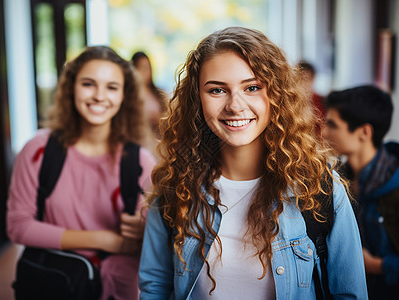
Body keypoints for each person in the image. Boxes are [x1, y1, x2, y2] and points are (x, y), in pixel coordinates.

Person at [138, 27, 367, 299]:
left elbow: (349, 294)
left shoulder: (320, 190)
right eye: (217, 90)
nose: (235, 105)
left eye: (252, 87)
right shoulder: (175, 189)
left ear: (276, 94)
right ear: (197, 100)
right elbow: (155, 289)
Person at [7, 46, 156, 300]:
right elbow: (18, 226)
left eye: (112, 87)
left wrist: (147, 229)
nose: (99, 96)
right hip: (55, 283)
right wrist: (104, 239)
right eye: (88, 84)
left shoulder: (141, 161)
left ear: (124, 96)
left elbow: (160, 236)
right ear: (71, 88)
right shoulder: (39, 150)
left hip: (121, 289)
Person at [322, 85, 399, 299]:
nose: (323, 132)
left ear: (364, 133)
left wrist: (377, 266)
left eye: (332, 125)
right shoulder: (334, 182)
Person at [131, 51, 168, 160]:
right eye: (141, 68)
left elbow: (170, 120)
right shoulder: (128, 96)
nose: (145, 72)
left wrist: (159, 120)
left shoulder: (160, 94)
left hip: (160, 146)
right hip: (139, 145)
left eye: (147, 68)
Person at [296, 60, 326, 135]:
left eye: (307, 79)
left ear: (313, 80)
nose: (303, 83)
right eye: (300, 79)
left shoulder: (322, 101)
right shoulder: (290, 101)